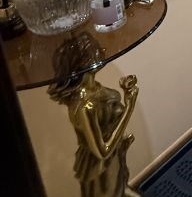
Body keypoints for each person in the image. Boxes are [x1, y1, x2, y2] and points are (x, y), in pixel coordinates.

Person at [47, 32, 140, 197]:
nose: (102, 51)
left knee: (121, 190)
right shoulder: (84, 106)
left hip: (115, 159)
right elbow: (102, 152)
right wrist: (129, 107)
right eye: (96, 50)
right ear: (85, 61)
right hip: (100, 169)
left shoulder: (95, 88)